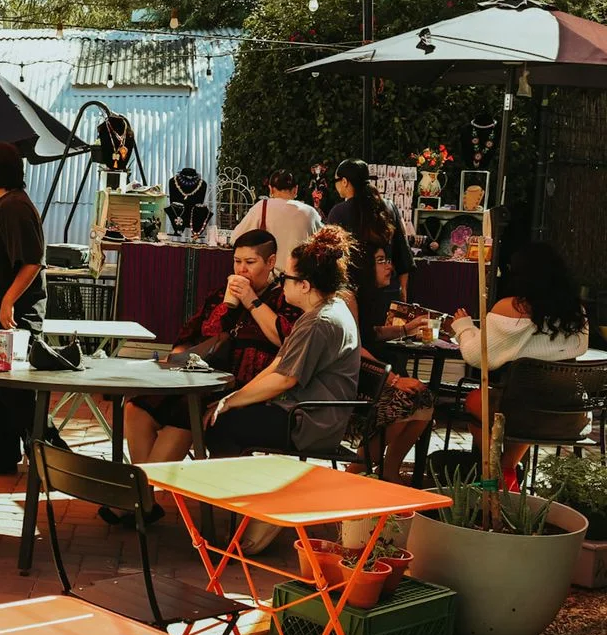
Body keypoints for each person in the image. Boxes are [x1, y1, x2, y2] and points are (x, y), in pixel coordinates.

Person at [203, 226, 361, 553]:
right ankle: (247, 506)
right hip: (306, 412)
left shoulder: (320, 321)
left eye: (286, 277)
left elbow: (284, 378)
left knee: (223, 428)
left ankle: (253, 507)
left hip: (310, 421)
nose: (281, 281)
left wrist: (229, 404)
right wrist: (231, 400)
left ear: (305, 285)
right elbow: (279, 365)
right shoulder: (320, 311)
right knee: (226, 417)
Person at [124, 228, 301, 471]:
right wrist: (227, 306)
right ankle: (145, 495)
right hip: (197, 378)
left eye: (250, 262)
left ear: (270, 262)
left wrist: (251, 300)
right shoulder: (222, 294)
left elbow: (286, 338)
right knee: (137, 407)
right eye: (237, 262)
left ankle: (143, 493)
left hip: (243, 387)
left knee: (186, 413)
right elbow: (193, 335)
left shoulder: (285, 297)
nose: (242, 270)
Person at [453, 243, 589, 485]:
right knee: (528, 395)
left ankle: (493, 471)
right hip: (570, 415)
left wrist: (463, 327)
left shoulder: (510, 308)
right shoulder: (575, 311)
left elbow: (477, 357)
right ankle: (508, 471)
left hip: (522, 411)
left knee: (477, 400)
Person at [0, 142, 62, 474]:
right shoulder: (2, 205)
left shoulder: (16, 208)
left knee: (17, 390)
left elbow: (32, 261)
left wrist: (8, 300)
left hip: (14, 317)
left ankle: (52, 454)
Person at [340, 246, 434, 484]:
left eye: (388, 260)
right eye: (380, 261)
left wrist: (406, 328)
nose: (389, 266)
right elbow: (352, 348)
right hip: (348, 376)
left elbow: (370, 333)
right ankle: (358, 469)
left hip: (369, 371)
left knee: (423, 397)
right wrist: (393, 379)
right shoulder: (347, 297)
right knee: (405, 398)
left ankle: (389, 471)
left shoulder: (369, 296)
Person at [326, 158, 412, 300]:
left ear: (345, 181)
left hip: (353, 294)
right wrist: (403, 290)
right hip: (388, 291)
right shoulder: (389, 207)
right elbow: (403, 254)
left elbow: (330, 258)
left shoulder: (339, 212)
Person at [231, 169, 322, 264]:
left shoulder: (262, 207)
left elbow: (235, 238)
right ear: (295, 189)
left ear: (271, 189)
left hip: (268, 274)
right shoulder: (310, 212)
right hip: (298, 275)